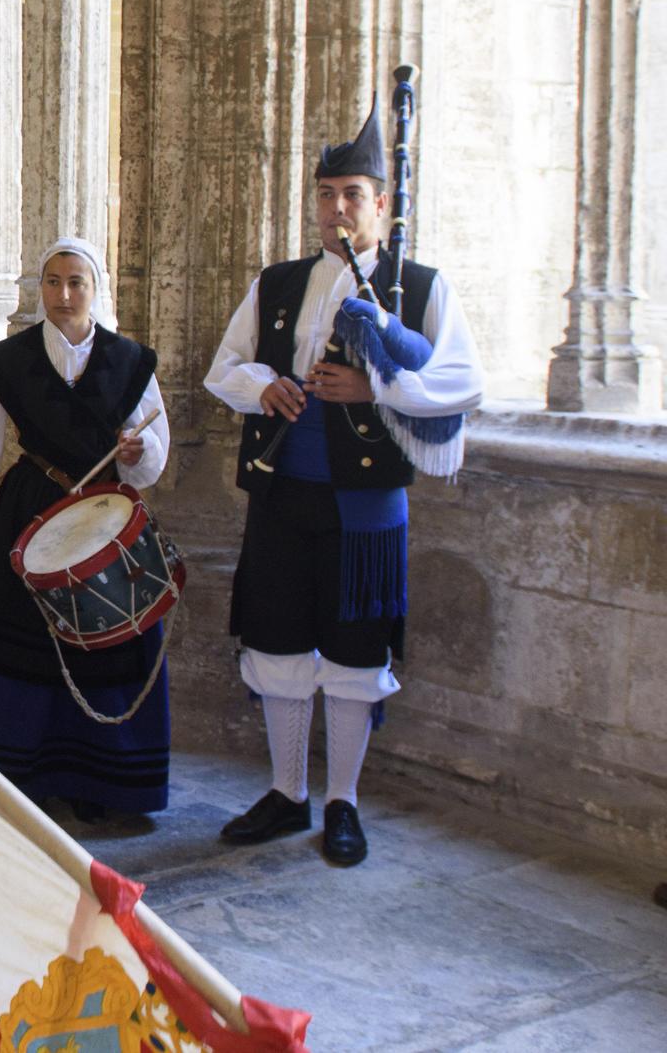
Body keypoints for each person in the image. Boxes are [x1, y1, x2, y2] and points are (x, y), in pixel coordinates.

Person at [205, 95, 482, 867]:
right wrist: (264, 384)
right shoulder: (279, 282)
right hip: (283, 493)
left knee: (357, 657)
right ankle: (288, 791)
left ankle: (343, 802)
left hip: (368, 508)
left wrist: (377, 389)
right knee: (280, 642)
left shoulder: (419, 288)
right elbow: (222, 366)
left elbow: (461, 383)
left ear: (382, 205)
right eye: (326, 196)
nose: (336, 209)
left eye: (352, 195)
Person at [0, 238, 172, 823]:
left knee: (109, 643)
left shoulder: (129, 361)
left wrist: (136, 451)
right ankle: (19, 771)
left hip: (105, 515)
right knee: (20, 642)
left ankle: (103, 784)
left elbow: (151, 457)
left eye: (76, 282)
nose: (63, 295)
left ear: (95, 288)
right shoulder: (11, 361)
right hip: (30, 508)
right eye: (52, 282)